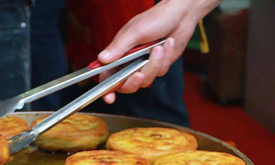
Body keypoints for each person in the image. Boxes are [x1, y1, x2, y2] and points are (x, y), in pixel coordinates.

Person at [31, 0, 219, 127]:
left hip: (144, 15)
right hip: (87, 22)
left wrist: (182, 8)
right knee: (78, 129)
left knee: (155, 123)